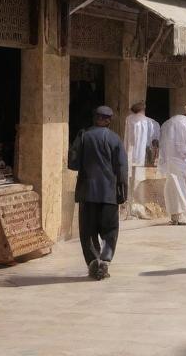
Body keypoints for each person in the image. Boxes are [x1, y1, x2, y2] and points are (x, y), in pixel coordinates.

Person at [67, 105, 127, 281]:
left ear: (95, 118)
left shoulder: (83, 136)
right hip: (109, 193)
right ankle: (105, 261)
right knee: (110, 230)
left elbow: (72, 163)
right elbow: (122, 168)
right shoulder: (115, 139)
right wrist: (123, 190)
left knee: (88, 230)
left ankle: (93, 262)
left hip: (87, 193)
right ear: (108, 120)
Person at [158, 103, 186, 225]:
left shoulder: (169, 122)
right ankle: (183, 214)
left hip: (172, 160)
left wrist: (162, 160)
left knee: (173, 187)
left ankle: (175, 215)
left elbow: (162, 142)